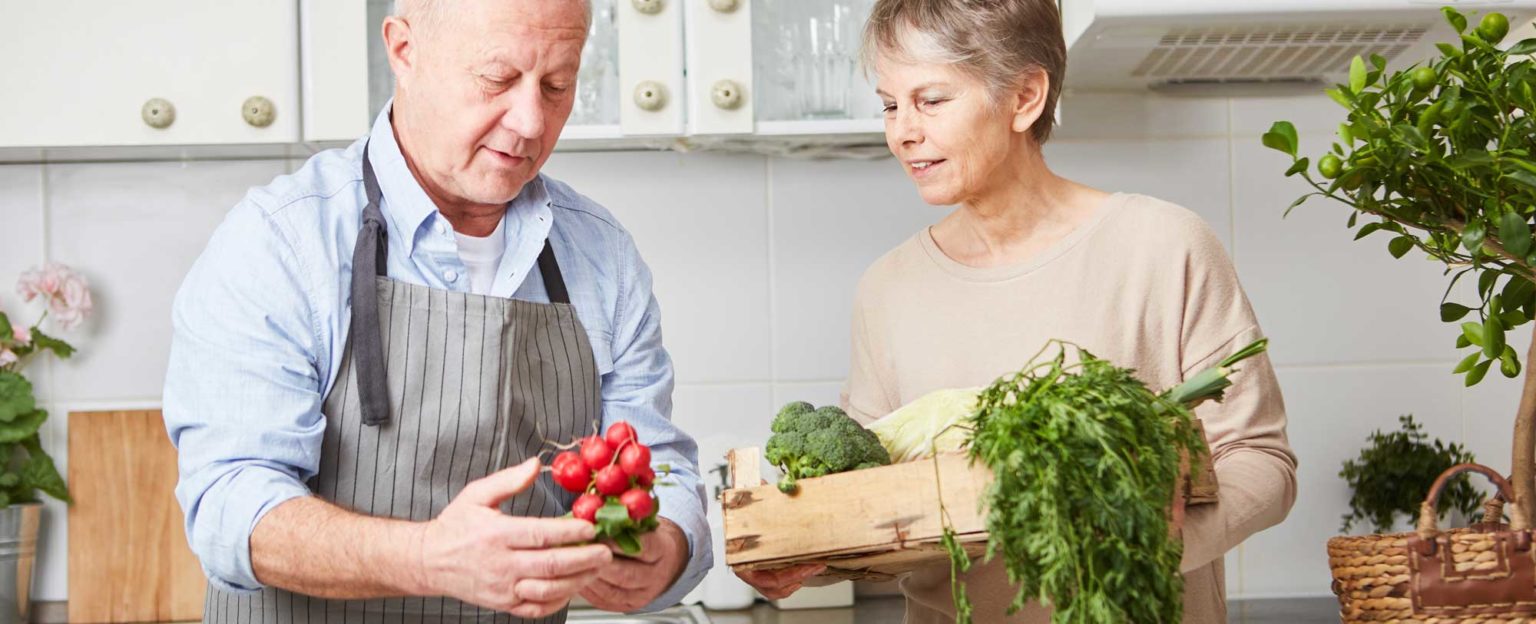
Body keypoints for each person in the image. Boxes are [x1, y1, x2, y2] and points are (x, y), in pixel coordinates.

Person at [737, 0, 1297, 621]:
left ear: (1026, 97)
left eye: (931, 100)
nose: (902, 132)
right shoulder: (886, 289)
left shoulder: (1163, 246)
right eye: (890, 104)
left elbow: (1262, 461)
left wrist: (1161, 543)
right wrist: (801, 554)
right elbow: (869, 501)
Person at [163, 0, 710, 621]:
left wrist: (666, 548)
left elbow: (657, 467)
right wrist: (426, 557)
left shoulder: (600, 253)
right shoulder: (282, 241)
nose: (531, 121)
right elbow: (232, 508)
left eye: (557, 85)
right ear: (403, 49)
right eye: (497, 79)